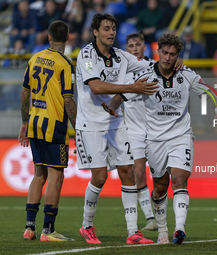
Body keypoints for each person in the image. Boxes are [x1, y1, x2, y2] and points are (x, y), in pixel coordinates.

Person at [102, 33, 217, 245]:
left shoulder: (185, 74)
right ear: (158, 51)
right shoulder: (146, 76)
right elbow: (124, 93)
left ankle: (179, 229)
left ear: (177, 55)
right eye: (164, 53)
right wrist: (112, 107)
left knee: (180, 179)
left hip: (180, 135)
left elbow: (207, 90)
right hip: (154, 140)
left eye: (172, 54)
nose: (168, 57)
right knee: (160, 187)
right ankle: (162, 229)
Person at [75, 13, 182, 245]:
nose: (111, 32)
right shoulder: (86, 54)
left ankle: (133, 231)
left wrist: (173, 62)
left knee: (128, 172)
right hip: (90, 124)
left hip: (115, 122)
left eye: (113, 28)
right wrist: (131, 87)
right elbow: (95, 87)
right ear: (95, 32)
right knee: (100, 176)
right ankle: (87, 225)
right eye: (106, 28)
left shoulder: (122, 57)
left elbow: (152, 65)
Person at [19, 20, 77, 242]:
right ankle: (48, 230)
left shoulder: (34, 58)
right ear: (68, 37)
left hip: (34, 122)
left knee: (38, 175)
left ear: (49, 37)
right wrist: (77, 128)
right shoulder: (64, 64)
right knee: (56, 176)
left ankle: (29, 227)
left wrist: (25, 122)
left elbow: (25, 93)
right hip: (54, 127)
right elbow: (68, 100)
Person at [123, 32, 157, 231]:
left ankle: (159, 213)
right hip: (134, 131)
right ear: (127, 50)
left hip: (156, 130)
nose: (135, 48)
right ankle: (150, 218)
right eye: (131, 45)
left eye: (138, 44)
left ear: (144, 47)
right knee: (138, 173)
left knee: (161, 175)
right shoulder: (122, 72)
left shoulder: (155, 67)